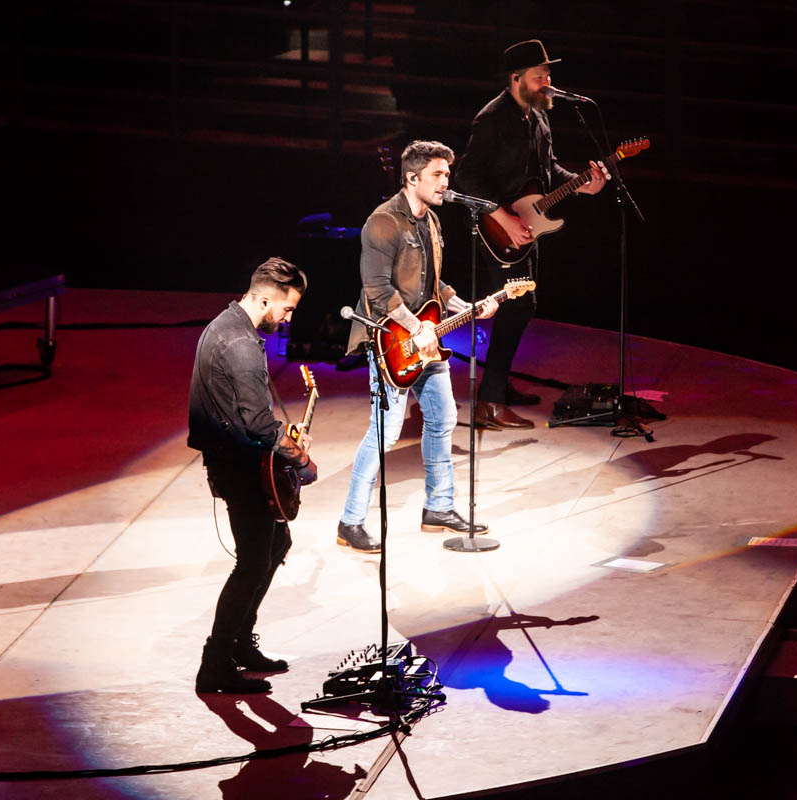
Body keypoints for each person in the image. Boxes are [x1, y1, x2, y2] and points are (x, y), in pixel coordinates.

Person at [337, 140, 498, 553]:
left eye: (447, 174)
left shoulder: (431, 222)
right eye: (438, 175)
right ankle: (350, 521)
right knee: (385, 432)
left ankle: (439, 508)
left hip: (426, 338)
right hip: (389, 340)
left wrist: (464, 306)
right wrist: (415, 329)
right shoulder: (382, 222)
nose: (446, 182)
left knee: (443, 417)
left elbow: (433, 285)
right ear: (412, 177)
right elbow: (377, 290)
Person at [455, 39, 609, 430]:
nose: (548, 82)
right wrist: (503, 217)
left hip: (529, 227)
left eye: (548, 75)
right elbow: (467, 178)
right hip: (496, 230)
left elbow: (549, 169)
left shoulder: (539, 119)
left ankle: (496, 387)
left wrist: (582, 184)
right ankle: (489, 403)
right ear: (516, 79)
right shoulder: (491, 119)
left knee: (523, 305)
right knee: (517, 306)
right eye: (540, 76)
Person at [188, 257, 317, 694]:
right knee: (252, 563)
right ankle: (215, 663)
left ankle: (240, 643)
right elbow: (260, 427)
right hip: (240, 469)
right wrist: (301, 459)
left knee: (275, 543)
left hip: (233, 462)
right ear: (264, 298)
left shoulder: (225, 325)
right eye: (287, 308)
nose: (288, 317)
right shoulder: (241, 347)